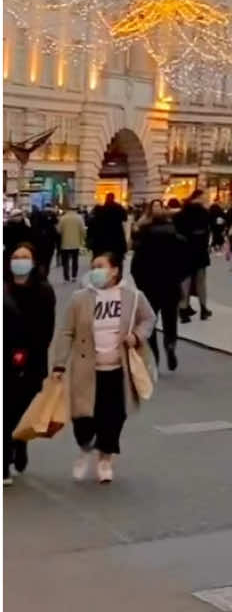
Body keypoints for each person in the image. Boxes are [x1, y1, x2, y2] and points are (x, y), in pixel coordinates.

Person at [52, 249, 154, 484]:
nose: (96, 271)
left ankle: (105, 459)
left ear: (115, 269)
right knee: (83, 416)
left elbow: (148, 319)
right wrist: (59, 364)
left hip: (118, 368)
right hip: (87, 368)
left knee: (114, 416)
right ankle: (85, 447)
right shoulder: (80, 298)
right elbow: (67, 331)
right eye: (93, 266)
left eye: (101, 266)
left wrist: (137, 336)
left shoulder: (132, 296)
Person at [4, 242, 56, 483]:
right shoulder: (4, 288)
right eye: (16, 257)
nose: (19, 261)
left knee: (21, 408)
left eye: (24, 257)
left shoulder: (44, 292)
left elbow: (45, 331)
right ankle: (4, 461)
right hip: (5, 358)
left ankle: (20, 441)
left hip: (32, 361)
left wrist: (26, 355)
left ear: (33, 262)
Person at [131, 201, 187, 372]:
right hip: (171, 284)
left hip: (149, 286)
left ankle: (154, 353)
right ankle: (170, 344)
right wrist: (178, 278)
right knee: (170, 320)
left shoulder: (144, 236)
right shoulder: (177, 237)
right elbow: (185, 263)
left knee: (150, 320)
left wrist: (140, 284)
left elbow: (136, 266)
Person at [175, 189, 213, 320]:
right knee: (201, 280)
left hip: (185, 248)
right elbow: (208, 229)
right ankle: (203, 308)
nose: (206, 199)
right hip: (200, 248)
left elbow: (177, 229)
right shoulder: (204, 212)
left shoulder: (182, 212)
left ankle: (183, 307)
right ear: (199, 197)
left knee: (186, 278)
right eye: (204, 197)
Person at [86, 193, 127, 265]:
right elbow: (125, 218)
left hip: (103, 240)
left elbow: (93, 225)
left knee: (104, 262)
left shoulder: (101, 209)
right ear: (114, 198)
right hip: (116, 239)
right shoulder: (119, 208)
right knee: (116, 261)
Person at [57, 205, 86, 285]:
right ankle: (74, 276)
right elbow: (83, 230)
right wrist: (83, 240)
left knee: (65, 261)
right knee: (75, 260)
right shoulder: (79, 218)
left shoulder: (63, 218)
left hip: (65, 243)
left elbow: (58, 230)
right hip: (75, 243)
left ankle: (66, 278)